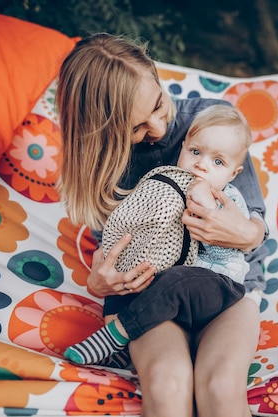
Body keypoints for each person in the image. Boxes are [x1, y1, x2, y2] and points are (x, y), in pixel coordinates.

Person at [56, 33, 269, 417]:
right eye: (135, 128)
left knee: (221, 386)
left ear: (155, 74)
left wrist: (243, 233)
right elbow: (113, 247)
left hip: (225, 287)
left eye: (158, 104)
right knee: (168, 384)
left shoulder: (212, 123)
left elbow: (255, 227)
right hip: (146, 294)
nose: (156, 127)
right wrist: (97, 282)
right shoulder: (109, 163)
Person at [64, 104, 252, 365]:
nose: (201, 165)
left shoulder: (227, 199)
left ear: (233, 173)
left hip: (217, 285)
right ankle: (125, 354)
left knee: (177, 279)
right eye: (195, 152)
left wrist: (207, 208)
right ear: (184, 146)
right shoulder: (164, 185)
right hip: (169, 284)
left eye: (217, 162)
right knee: (137, 282)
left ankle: (115, 336)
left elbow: (229, 251)